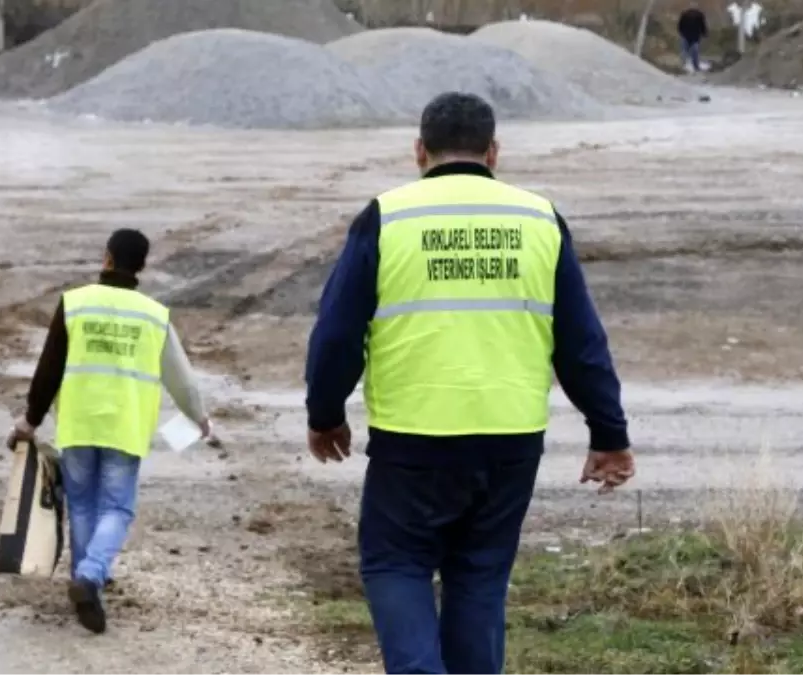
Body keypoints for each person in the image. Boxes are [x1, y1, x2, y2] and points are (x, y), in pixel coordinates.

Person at [303, 92, 635, 675]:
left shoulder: (387, 216)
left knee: (395, 564)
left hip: (414, 437)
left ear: (418, 151)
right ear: (494, 152)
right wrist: (608, 431)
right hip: (511, 438)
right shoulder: (539, 218)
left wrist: (325, 413)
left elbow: (336, 334)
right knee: (480, 577)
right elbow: (581, 341)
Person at [7, 228, 213, 634]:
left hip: (80, 423)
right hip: (125, 425)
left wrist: (30, 421)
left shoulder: (75, 304)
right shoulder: (154, 314)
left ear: (107, 258)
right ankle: (91, 574)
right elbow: (182, 380)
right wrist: (199, 418)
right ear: (142, 266)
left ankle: (87, 582)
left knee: (83, 505)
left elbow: (48, 371)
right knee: (117, 508)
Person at [678, 2, 709, 72]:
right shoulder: (687, 14)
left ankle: (688, 66)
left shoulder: (697, 15)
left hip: (690, 36)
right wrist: (705, 33)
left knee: (687, 51)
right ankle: (689, 66)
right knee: (691, 51)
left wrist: (704, 33)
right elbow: (703, 25)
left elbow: (702, 25)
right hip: (691, 36)